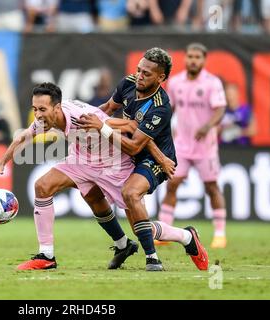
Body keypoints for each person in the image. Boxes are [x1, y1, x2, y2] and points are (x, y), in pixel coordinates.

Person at [0, 82, 208, 271]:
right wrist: (1, 162)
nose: (38, 115)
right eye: (35, 109)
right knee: (43, 186)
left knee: (140, 226)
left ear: (57, 108)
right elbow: (23, 138)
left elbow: (131, 126)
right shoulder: (45, 120)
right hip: (82, 160)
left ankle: (186, 237)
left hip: (113, 166)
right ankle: (47, 256)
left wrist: (160, 157)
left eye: (42, 109)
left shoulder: (82, 117)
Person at [80, 47, 207, 271]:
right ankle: (186, 237)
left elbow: (135, 145)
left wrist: (101, 128)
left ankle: (152, 258)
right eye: (139, 70)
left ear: (161, 78)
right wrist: (80, 120)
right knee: (95, 193)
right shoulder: (128, 83)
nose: (139, 76)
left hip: (154, 160)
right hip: (126, 152)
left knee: (131, 193)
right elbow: (108, 108)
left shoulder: (160, 107)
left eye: (146, 73)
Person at [156, 43, 228, 249]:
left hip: (206, 147)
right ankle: (164, 232)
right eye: (190, 56)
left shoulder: (212, 83)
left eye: (197, 57)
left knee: (211, 187)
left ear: (204, 60)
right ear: (185, 58)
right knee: (172, 184)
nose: (193, 60)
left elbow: (220, 109)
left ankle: (220, 234)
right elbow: (169, 109)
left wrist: (207, 126)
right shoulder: (176, 82)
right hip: (182, 146)